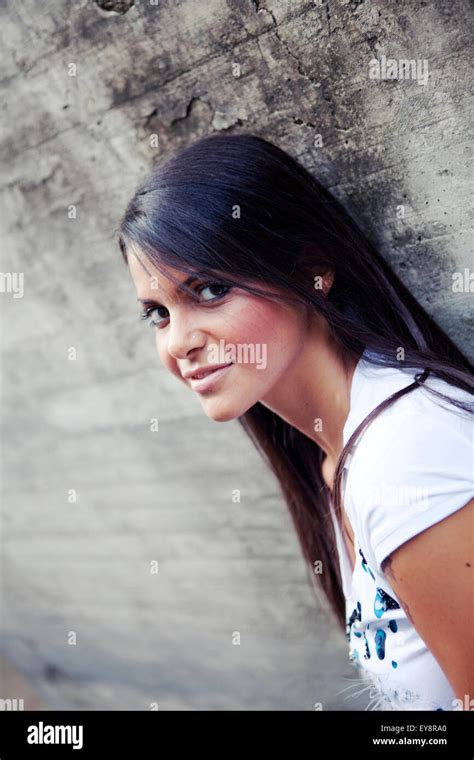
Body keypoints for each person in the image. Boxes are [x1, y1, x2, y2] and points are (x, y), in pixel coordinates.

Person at [117, 133, 473, 710]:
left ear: (312, 270)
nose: (179, 342)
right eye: (157, 314)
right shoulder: (336, 454)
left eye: (209, 290)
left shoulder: (408, 455)